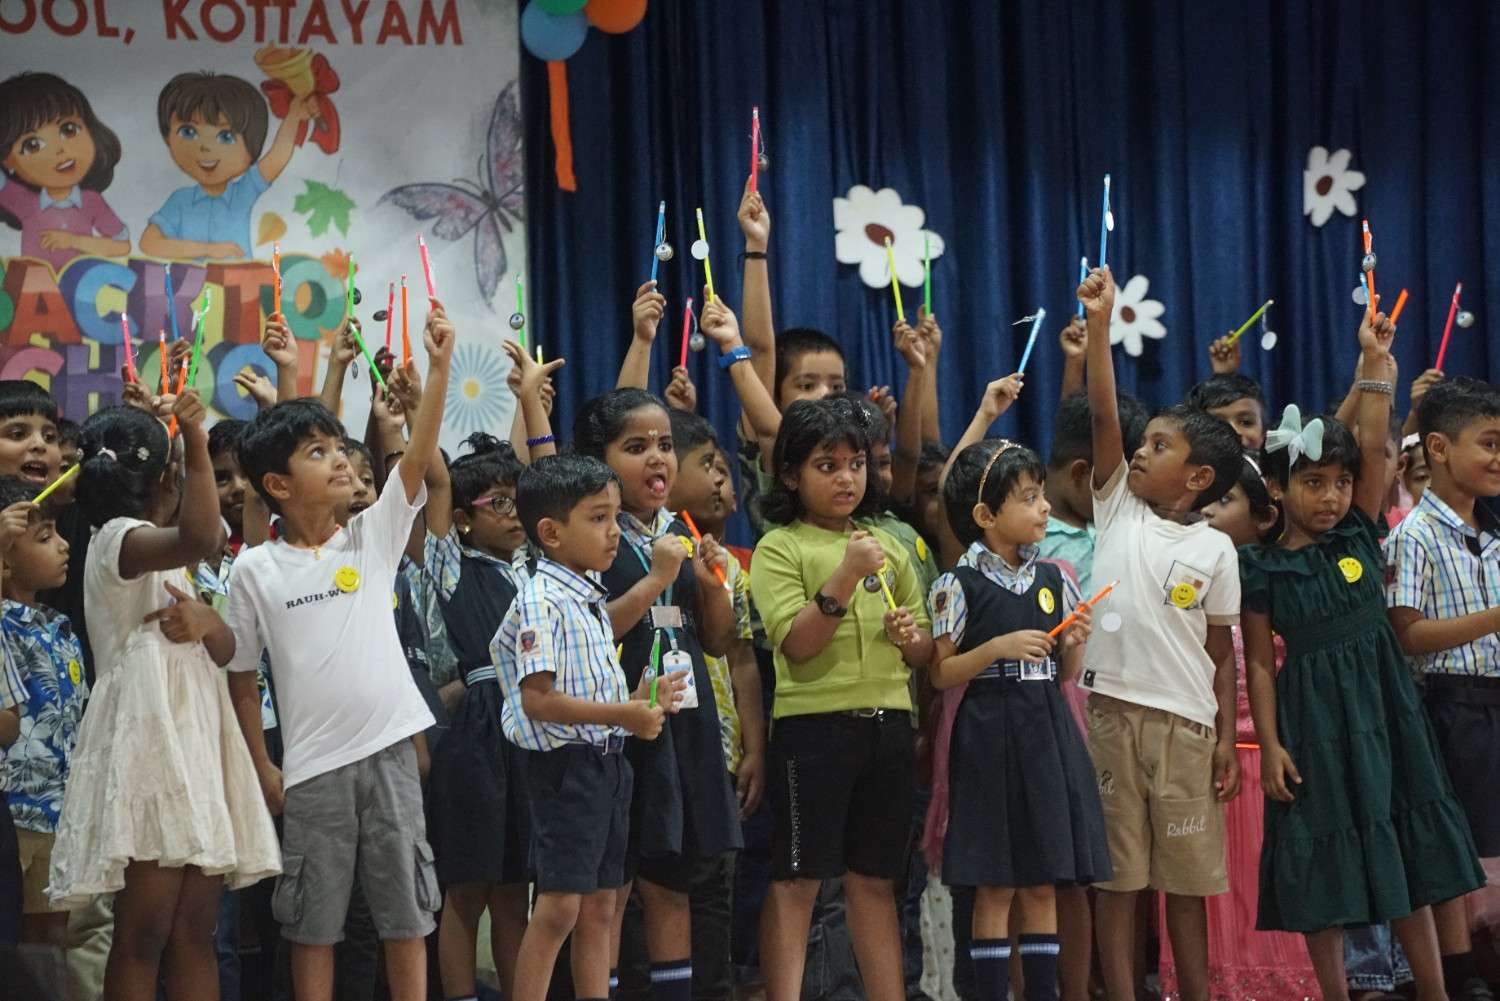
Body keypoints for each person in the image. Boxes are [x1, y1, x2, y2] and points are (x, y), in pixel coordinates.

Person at [1241, 310, 1486, 1001]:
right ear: (1278, 488)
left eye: (1341, 482)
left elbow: (1372, 441)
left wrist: (1376, 363)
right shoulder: (1259, 566)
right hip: (1314, 726)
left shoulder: (1357, 533)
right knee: (1323, 867)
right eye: (1313, 483)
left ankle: (1434, 990)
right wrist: (1272, 744)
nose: (1332, 496)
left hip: (1386, 715)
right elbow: (1258, 662)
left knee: (1404, 855)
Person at [223, 296, 455, 1001]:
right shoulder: (253, 569)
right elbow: (240, 678)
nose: (340, 461)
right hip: (311, 768)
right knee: (312, 921)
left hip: (389, 755)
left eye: (338, 447)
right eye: (317, 452)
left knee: (406, 911)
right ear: (278, 485)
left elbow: (416, 459)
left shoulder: (371, 536)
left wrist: (440, 369)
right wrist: (264, 765)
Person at [47, 397, 280, 1000]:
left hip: (195, 745)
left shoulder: (173, 563)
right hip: (149, 748)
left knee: (195, 931)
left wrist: (208, 620)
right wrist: (195, 438)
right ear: (168, 480)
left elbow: (227, 651)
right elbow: (201, 534)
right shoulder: (115, 540)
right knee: (144, 931)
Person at [1075, 266, 1245, 1001]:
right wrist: (1101, 328)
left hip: (1187, 731)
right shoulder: (1117, 505)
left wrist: (1225, 739)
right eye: (1142, 442)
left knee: (1185, 884)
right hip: (1111, 716)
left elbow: (1221, 653)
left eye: (1161, 446)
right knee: (1119, 881)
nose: (1140, 451)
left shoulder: (1216, 550)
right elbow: (1103, 417)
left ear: (1199, 477)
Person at [749, 396, 933, 1001]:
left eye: (856, 464)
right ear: (790, 475)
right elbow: (797, 645)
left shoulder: (888, 545)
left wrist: (911, 640)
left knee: (874, 882)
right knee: (798, 880)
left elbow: (923, 651)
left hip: (889, 727)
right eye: (827, 466)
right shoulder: (780, 546)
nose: (847, 478)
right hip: (814, 730)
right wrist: (847, 575)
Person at [573, 381, 743, 1001]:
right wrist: (658, 578)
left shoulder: (679, 530)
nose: (657, 459)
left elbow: (717, 641)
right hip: (618, 728)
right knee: (610, 895)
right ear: (600, 460)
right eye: (636, 446)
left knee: (674, 886)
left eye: (665, 445)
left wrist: (712, 586)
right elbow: (592, 630)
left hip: (683, 723)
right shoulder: (592, 535)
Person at [928, 438, 1110, 1001]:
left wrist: (1074, 643)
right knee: (994, 883)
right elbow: (941, 673)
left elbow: (1065, 675)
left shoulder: (1056, 579)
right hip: (987, 734)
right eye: (1029, 498)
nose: (1044, 507)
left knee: (1041, 881)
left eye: (1041, 495)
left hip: (1046, 732)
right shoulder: (957, 584)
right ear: (986, 516)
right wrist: (996, 648)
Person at [495, 453, 674, 1001]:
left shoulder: (586, 593)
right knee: (559, 908)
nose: (614, 531)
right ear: (551, 532)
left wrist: (638, 700)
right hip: (565, 771)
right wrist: (623, 715)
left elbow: (592, 688)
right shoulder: (541, 599)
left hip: (606, 766)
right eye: (599, 518)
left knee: (601, 905)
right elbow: (539, 701)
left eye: (615, 516)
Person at [1385, 375, 1500, 1001]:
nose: (1499, 457)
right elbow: (1409, 634)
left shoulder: (1495, 531)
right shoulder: (1414, 535)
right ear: (1438, 447)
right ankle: (1457, 971)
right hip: (1449, 703)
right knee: (1451, 846)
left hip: (1495, 699)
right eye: (1490, 443)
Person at [423, 431, 532, 1001]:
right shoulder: (451, 565)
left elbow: (539, 466)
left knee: (515, 891)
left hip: (530, 729)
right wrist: (414, 408)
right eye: (500, 503)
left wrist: (530, 400)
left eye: (519, 500)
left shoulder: (533, 570)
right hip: (476, 737)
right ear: (463, 520)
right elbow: (437, 481)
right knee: (466, 889)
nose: (515, 513)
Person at [0, 475, 84, 984]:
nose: (64, 545)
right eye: (45, 537)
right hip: (11, 813)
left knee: (50, 939)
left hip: (59, 812)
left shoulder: (59, 627)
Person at [140, 72, 316, 261]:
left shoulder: (244, 192)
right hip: (192, 279)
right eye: (189, 132)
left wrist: (294, 116)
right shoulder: (180, 201)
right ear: (168, 137)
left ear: (251, 148)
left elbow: (278, 156)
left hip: (240, 278)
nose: (205, 147)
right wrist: (208, 249)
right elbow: (149, 243)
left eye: (226, 136)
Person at [0, 72, 129, 273]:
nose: (59, 150)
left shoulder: (91, 202)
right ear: (8, 161)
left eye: (69, 130)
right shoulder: (23, 201)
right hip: (36, 288)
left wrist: (74, 241)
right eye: (33, 145)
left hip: (82, 286)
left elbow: (121, 245)